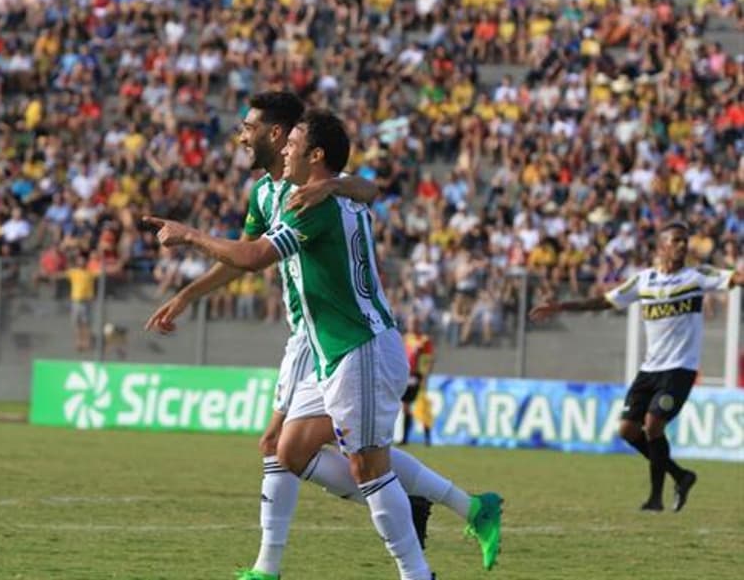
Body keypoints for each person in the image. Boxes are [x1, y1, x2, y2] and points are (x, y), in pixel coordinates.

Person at [146, 109, 503, 580]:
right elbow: (357, 192)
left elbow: (253, 257)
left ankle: (416, 571)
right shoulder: (304, 192)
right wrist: (189, 293)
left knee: (368, 469)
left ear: (307, 151)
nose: (247, 138)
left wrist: (189, 235)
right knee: (290, 450)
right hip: (330, 347)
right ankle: (449, 505)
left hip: (358, 345)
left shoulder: (315, 201)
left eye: (288, 138)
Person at [530, 221, 743, 512]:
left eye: (685, 241)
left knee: (654, 425)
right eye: (676, 240)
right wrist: (562, 307)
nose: (682, 245)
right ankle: (681, 476)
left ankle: (655, 499)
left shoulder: (697, 275)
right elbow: (606, 301)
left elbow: (736, 277)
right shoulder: (644, 281)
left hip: (680, 369)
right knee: (628, 430)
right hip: (650, 369)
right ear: (662, 246)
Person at [402, 315, 434, 446]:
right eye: (410, 323)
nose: (412, 325)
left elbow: (429, 359)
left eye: (415, 323)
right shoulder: (404, 339)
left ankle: (427, 438)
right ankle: (405, 439)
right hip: (405, 376)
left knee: (422, 405)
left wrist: (425, 376)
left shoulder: (424, 341)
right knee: (405, 407)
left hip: (418, 376)